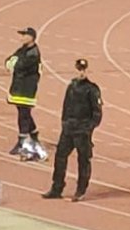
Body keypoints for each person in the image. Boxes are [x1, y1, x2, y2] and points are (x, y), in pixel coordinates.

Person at [44, 58, 102, 202]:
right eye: (79, 69)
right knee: (60, 157)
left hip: (82, 130)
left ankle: (80, 190)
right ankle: (57, 188)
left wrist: (88, 129)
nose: (81, 72)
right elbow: (66, 106)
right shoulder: (71, 86)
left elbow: (97, 112)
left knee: (83, 160)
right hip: (69, 128)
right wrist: (64, 123)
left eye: (83, 70)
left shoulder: (92, 89)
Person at [6, 27, 49, 161]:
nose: (22, 37)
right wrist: (12, 62)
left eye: (24, 35)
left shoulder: (33, 53)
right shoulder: (23, 49)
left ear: (31, 37)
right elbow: (10, 60)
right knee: (24, 112)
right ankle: (34, 135)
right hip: (19, 87)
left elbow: (19, 65)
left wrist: (13, 63)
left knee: (23, 115)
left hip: (26, 88)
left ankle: (23, 142)